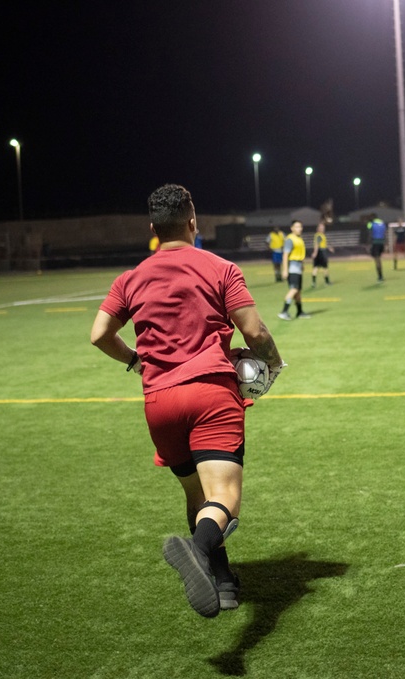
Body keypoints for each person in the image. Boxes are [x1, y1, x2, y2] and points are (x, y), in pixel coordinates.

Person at [91, 184, 284, 618]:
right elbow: (254, 332)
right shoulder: (220, 268)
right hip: (211, 395)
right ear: (193, 222)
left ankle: (224, 582)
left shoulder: (131, 277)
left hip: (159, 402)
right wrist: (274, 364)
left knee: (196, 495)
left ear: (154, 229)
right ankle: (196, 551)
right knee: (224, 498)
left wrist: (135, 361)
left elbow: (99, 335)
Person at [278, 220, 310, 319]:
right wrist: (285, 270)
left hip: (298, 267)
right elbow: (285, 255)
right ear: (292, 228)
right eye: (297, 227)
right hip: (292, 268)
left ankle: (299, 312)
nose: (299, 229)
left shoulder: (299, 239)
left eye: (300, 227)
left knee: (298, 291)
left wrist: (302, 264)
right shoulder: (290, 239)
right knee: (294, 289)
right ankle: (284, 312)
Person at [310, 221, 333, 287]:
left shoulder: (321, 235)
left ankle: (314, 283)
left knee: (316, 267)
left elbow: (324, 244)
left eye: (323, 227)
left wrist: (329, 248)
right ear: (318, 228)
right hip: (321, 252)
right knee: (324, 267)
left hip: (321, 251)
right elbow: (317, 244)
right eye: (321, 227)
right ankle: (327, 282)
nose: (323, 228)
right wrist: (315, 253)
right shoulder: (319, 235)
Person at [367, 217, 387, 281]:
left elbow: (369, 232)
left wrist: (368, 244)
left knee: (377, 260)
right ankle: (381, 275)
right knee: (379, 259)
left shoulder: (371, 224)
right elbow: (384, 234)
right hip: (382, 243)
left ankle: (380, 276)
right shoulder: (382, 224)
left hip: (375, 243)